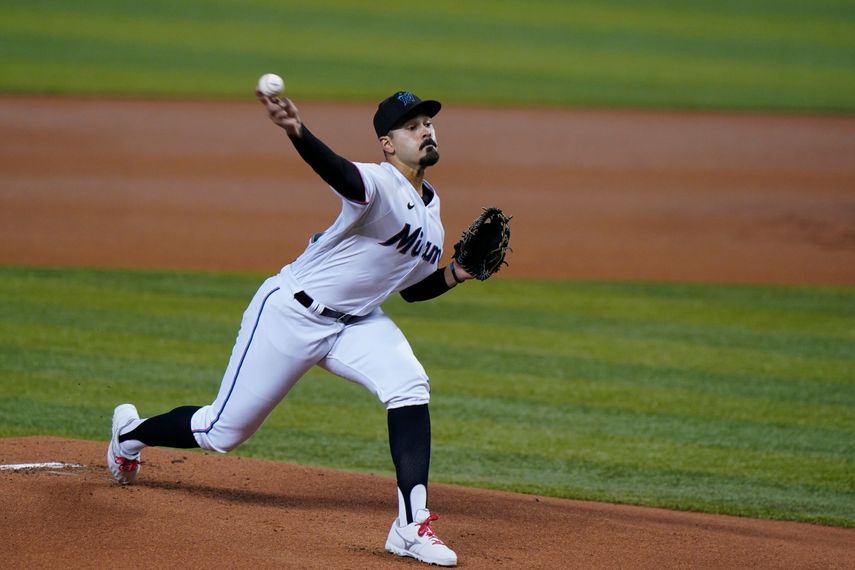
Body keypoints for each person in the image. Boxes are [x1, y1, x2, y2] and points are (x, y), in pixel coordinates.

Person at [107, 89, 479, 567]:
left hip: (358, 323)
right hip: (292, 313)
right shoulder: (378, 184)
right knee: (222, 431)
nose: (426, 130)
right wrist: (297, 131)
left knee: (409, 385)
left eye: (428, 123)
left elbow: (411, 289)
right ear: (387, 144)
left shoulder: (433, 213)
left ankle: (410, 527)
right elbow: (339, 171)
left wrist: (454, 274)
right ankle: (129, 435)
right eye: (413, 126)